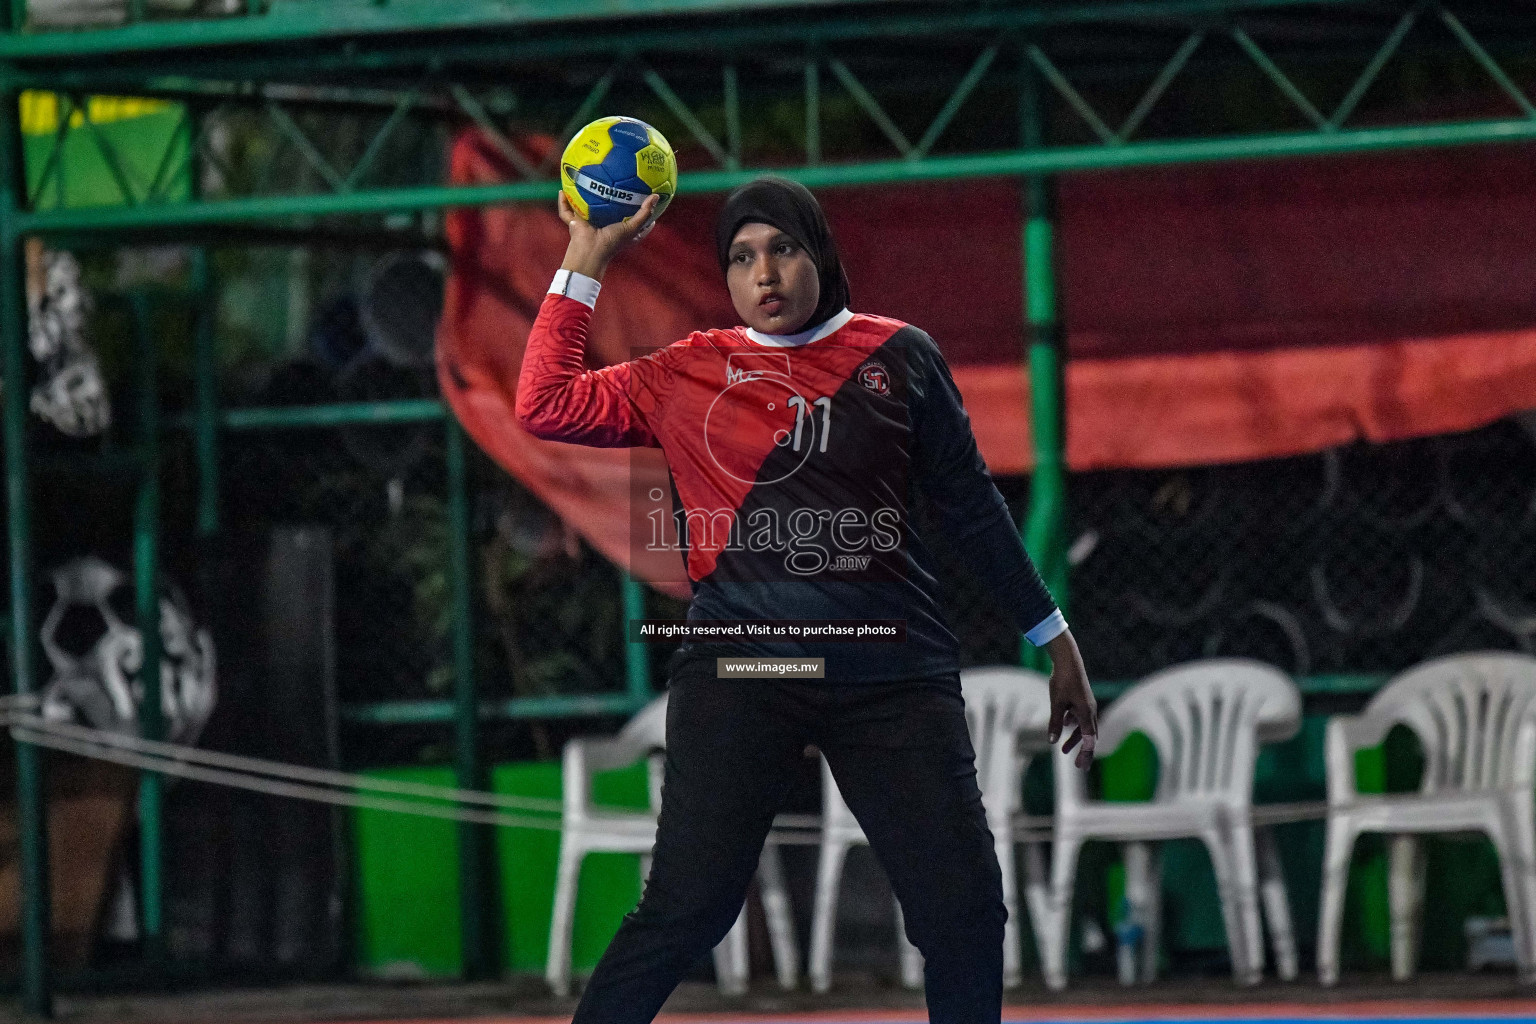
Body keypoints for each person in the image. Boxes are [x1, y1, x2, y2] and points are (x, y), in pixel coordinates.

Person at [516, 176, 1096, 1024]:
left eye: (783, 249)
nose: (766, 274)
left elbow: (972, 510)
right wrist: (586, 254)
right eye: (743, 258)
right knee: (688, 910)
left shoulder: (900, 357)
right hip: (746, 667)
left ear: (819, 252)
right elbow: (542, 401)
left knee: (964, 911)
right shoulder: (687, 372)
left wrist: (1057, 639)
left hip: (889, 672)